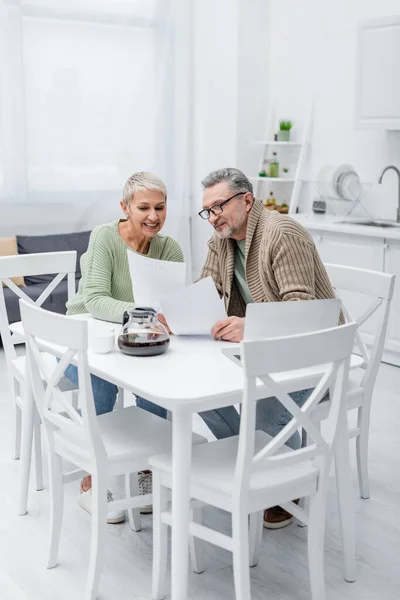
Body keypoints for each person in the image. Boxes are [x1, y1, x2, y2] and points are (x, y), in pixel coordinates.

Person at [197, 167, 336, 529]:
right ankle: (262, 461)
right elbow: (205, 290)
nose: (212, 218)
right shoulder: (221, 240)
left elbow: (304, 312)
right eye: (207, 211)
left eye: (218, 207)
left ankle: (281, 481)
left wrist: (249, 326)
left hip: (312, 352)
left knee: (260, 410)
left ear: (246, 200)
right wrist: (179, 313)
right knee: (197, 391)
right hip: (261, 349)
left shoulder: (281, 232)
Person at [65, 171, 183, 523]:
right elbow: (96, 300)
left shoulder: (169, 248)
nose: (153, 216)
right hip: (86, 339)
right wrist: (142, 314)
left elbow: (174, 303)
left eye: (160, 207)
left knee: (157, 380)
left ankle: (149, 471)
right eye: (144, 207)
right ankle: (92, 480)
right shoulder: (105, 237)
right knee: (99, 379)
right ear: (125, 207)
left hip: (137, 342)